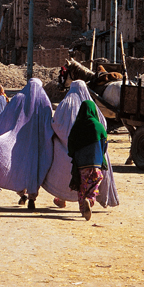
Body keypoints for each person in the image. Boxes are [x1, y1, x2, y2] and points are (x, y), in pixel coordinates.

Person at [43, 80, 119, 211]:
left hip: (73, 152)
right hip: (95, 159)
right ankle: (90, 199)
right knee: (95, 180)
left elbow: (57, 124)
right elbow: (104, 130)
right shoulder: (93, 109)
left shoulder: (66, 104)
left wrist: (68, 147)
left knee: (73, 179)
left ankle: (65, 199)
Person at [0, 78, 54, 210]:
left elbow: (5, 116)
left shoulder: (19, 97)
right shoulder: (44, 101)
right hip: (38, 143)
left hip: (18, 143)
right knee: (34, 169)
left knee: (18, 167)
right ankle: (32, 197)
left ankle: (21, 193)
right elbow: (49, 123)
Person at [68, 100, 108, 221]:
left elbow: (71, 145)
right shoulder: (99, 126)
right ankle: (90, 199)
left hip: (81, 164)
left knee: (82, 185)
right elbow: (104, 145)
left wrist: (74, 155)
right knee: (98, 179)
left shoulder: (77, 127)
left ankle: (82, 209)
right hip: (95, 162)